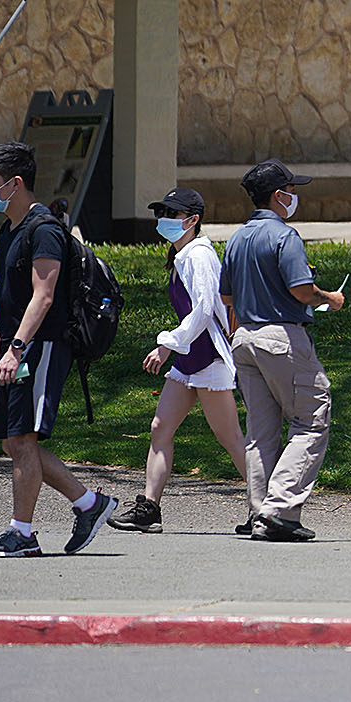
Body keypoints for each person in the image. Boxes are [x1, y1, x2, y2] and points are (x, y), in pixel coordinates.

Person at [0, 140, 119, 557]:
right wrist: (0, 342)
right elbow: (13, 297)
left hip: (44, 346)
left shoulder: (44, 230)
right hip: (18, 346)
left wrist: (17, 348)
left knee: (21, 438)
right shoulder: (9, 231)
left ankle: (22, 534)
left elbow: (44, 296)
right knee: (14, 442)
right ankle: (89, 503)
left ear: (15, 184)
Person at [221, 158, 344, 542]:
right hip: (282, 339)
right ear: (278, 196)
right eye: (291, 190)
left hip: (244, 339)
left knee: (260, 432)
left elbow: (226, 296)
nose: (294, 196)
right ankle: (279, 510)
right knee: (311, 420)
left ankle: (260, 512)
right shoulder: (284, 236)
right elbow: (301, 290)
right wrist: (329, 298)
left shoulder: (236, 238)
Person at [110, 188, 246, 534]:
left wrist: (168, 345)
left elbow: (203, 310)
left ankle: (270, 507)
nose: (164, 219)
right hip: (190, 358)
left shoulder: (199, 256)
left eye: (172, 213)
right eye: (162, 213)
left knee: (229, 436)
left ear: (193, 220)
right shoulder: (183, 254)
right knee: (160, 428)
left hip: (208, 358)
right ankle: (149, 508)